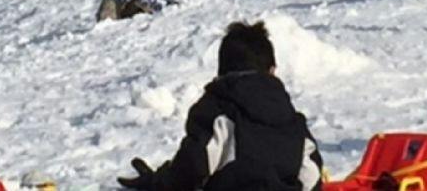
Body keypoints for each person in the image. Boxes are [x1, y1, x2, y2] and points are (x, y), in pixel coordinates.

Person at [115, 20, 324, 191]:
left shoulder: (217, 108)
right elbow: (311, 173)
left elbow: (194, 166)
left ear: (222, 70)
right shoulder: (290, 118)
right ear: (272, 70)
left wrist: (158, 183)